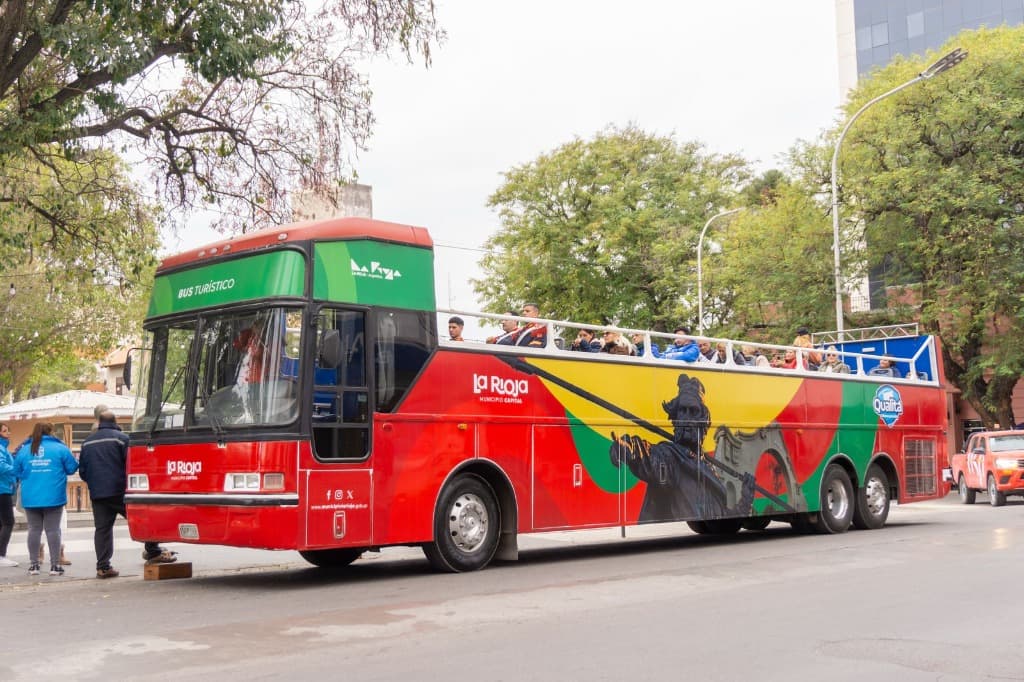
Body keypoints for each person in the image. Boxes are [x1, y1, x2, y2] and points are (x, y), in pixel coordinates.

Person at [79, 410, 178, 578]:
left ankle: (103, 567)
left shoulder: (87, 443)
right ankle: (153, 552)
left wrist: (95, 484)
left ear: (99, 422)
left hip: (98, 493)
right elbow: (132, 464)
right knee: (144, 519)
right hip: (120, 491)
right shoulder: (122, 439)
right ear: (115, 421)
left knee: (102, 530)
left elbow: (83, 471)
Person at [13, 423, 78, 576]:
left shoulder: (24, 450)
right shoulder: (60, 448)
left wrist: (30, 477)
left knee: (33, 530)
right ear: (51, 432)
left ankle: (34, 565)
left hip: (31, 497)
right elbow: (71, 468)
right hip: (54, 496)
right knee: (53, 530)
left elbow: (16, 471)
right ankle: (55, 566)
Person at [0, 423, 17, 567]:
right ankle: (1, 555)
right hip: (2, 490)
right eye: (5, 431)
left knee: (2, 523)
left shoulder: (3, 448)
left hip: (4, 488)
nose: (8, 433)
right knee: (8, 522)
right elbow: (1, 466)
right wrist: (16, 469)